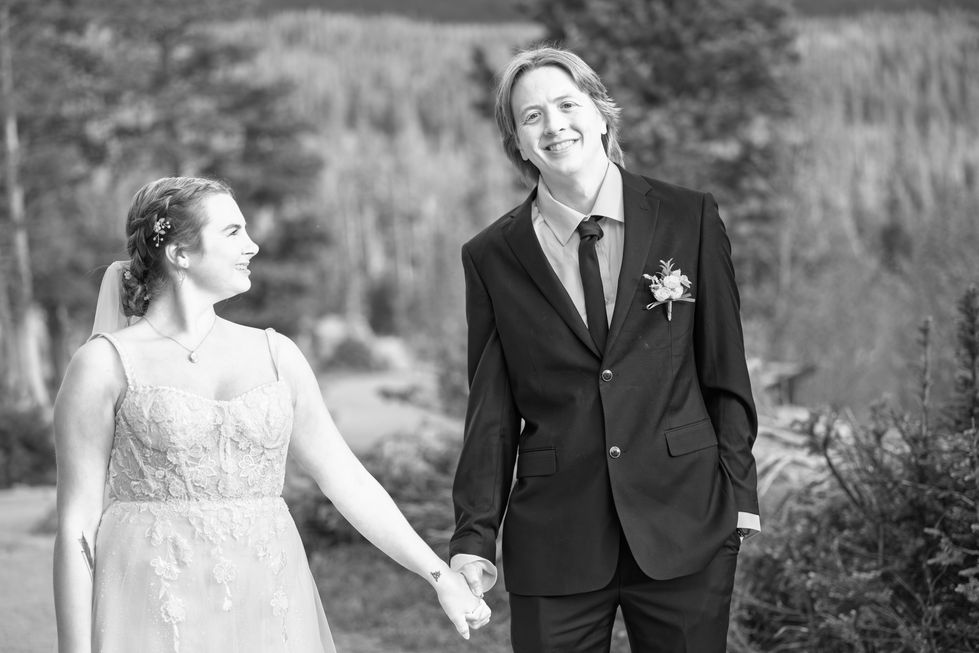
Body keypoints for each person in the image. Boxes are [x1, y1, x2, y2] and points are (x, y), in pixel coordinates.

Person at [53, 176, 490, 653]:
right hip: (150, 603)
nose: (253, 245)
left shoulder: (277, 355)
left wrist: (439, 576)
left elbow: (348, 480)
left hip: (266, 600)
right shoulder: (103, 364)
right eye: (233, 232)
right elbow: (78, 526)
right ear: (180, 253)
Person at [449, 47, 760, 652]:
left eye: (567, 105)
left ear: (600, 114)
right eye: (531, 116)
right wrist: (473, 537)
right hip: (555, 536)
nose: (554, 125)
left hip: (687, 522)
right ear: (517, 142)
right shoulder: (491, 256)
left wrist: (740, 497)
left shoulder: (688, 216)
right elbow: (490, 413)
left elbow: (725, 369)